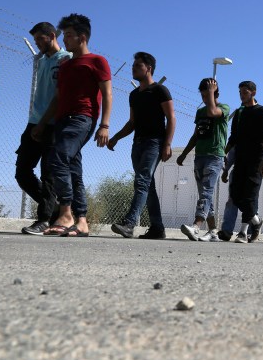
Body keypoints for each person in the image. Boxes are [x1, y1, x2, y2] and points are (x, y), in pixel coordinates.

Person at [32, 13, 112, 237]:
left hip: (82, 118)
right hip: (60, 120)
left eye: (68, 35)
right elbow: (57, 97)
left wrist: (104, 125)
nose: (64, 39)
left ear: (82, 37)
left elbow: (107, 93)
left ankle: (66, 213)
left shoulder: (97, 61)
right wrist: (42, 123)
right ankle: (82, 221)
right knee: (74, 169)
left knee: (58, 158)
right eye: (64, 35)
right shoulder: (65, 65)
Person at [108, 52, 175, 239]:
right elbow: (132, 123)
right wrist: (116, 138)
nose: (134, 68)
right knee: (148, 186)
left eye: (138, 65)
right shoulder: (134, 95)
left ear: (149, 68)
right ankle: (157, 228)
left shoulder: (160, 90)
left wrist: (167, 144)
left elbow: (171, 118)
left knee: (142, 181)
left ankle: (129, 224)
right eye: (133, 65)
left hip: (155, 143)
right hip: (137, 144)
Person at [17, 22, 72, 235]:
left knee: (48, 174)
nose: (38, 43)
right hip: (34, 121)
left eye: (40, 39)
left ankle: (44, 219)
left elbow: (59, 96)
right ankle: (55, 208)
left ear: (51, 36)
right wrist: (36, 122)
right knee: (22, 171)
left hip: (53, 123)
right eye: (35, 40)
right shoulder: (41, 61)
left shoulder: (64, 60)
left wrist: (43, 123)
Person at [177, 78, 230, 242]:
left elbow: (213, 113)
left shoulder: (223, 108)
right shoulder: (200, 112)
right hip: (200, 156)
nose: (205, 99)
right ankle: (213, 231)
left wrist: (211, 93)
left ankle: (196, 226)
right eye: (203, 95)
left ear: (216, 93)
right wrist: (184, 153)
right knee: (204, 195)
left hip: (215, 156)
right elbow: (196, 135)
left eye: (208, 95)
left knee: (206, 192)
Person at [225, 81, 263, 243]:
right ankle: (257, 222)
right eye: (240, 92)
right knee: (236, 195)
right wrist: (223, 153)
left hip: (257, 160)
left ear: (253, 93)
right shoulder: (239, 113)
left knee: (250, 196)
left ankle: (243, 233)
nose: (241, 95)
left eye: (244, 92)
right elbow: (233, 138)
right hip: (241, 159)